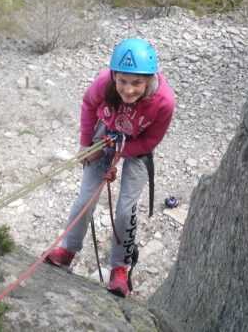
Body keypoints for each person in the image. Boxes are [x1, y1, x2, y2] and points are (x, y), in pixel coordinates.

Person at [44, 38, 175, 298]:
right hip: (107, 133)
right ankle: (67, 251)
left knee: (125, 210)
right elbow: (89, 105)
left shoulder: (164, 102)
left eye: (137, 83)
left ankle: (120, 269)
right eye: (123, 81)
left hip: (137, 145)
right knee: (85, 198)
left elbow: (151, 140)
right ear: (114, 75)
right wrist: (85, 144)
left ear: (149, 80)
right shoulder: (104, 83)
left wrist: (120, 154)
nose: (128, 90)